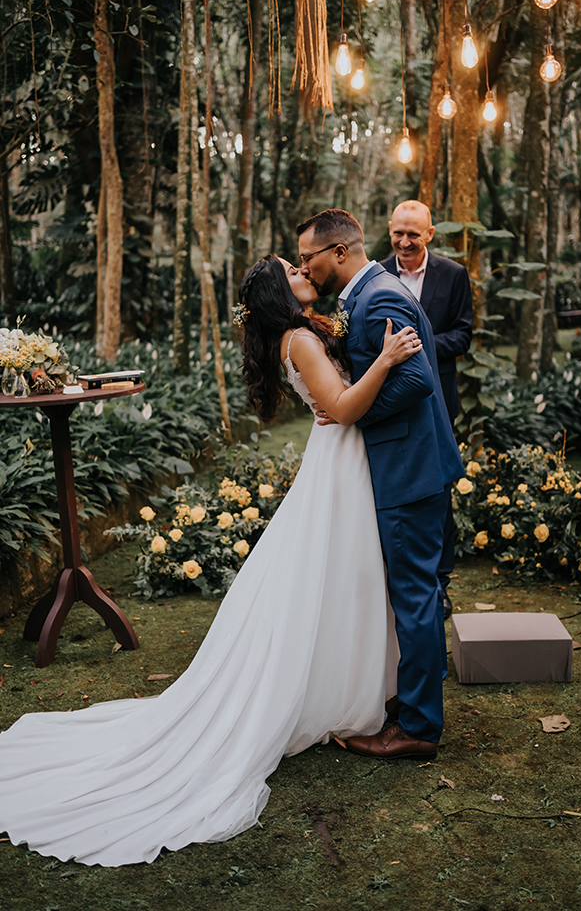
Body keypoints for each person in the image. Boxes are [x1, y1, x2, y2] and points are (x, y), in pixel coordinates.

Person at [0, 254, 421, 867]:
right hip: (339, 463)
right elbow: (346, 407)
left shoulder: (304, 330)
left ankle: (345, 688)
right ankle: (335, 693)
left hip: (340, 463)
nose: (303, 269)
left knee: (341, 581)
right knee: (333, 578)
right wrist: (384, 361)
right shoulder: (299, 339)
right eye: (292, 268)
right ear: (283, 289)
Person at [297, 208, 464, 760]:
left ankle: (417, 727)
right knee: (411, 594)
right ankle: (407, 702)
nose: (305, 267)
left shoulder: (379, 298)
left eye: (309, 258)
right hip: (407, 465)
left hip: (409, 469)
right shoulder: (366, 295)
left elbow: (416, 378)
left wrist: (351, 412)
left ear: (339, 252)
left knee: (415, 597)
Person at [380, 200, 473, 618]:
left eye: (413, 234)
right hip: (389, 400)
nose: (404, 241)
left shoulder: (452, 275)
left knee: (438, 487)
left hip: (439, 399)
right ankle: (394, 575)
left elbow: (463, 335)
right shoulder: (378, 274)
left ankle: (441, 581)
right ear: (389, 230)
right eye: (398, 233)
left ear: (430, 235)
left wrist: (414, 350)